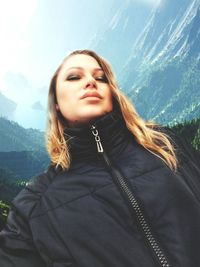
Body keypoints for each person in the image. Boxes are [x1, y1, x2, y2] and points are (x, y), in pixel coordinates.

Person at [0, 49, 200, 267]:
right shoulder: (34, 206)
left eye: (100, 77)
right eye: (74, 76)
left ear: (112, 94)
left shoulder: (165, 144)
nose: (90, 82)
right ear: (56, 103)